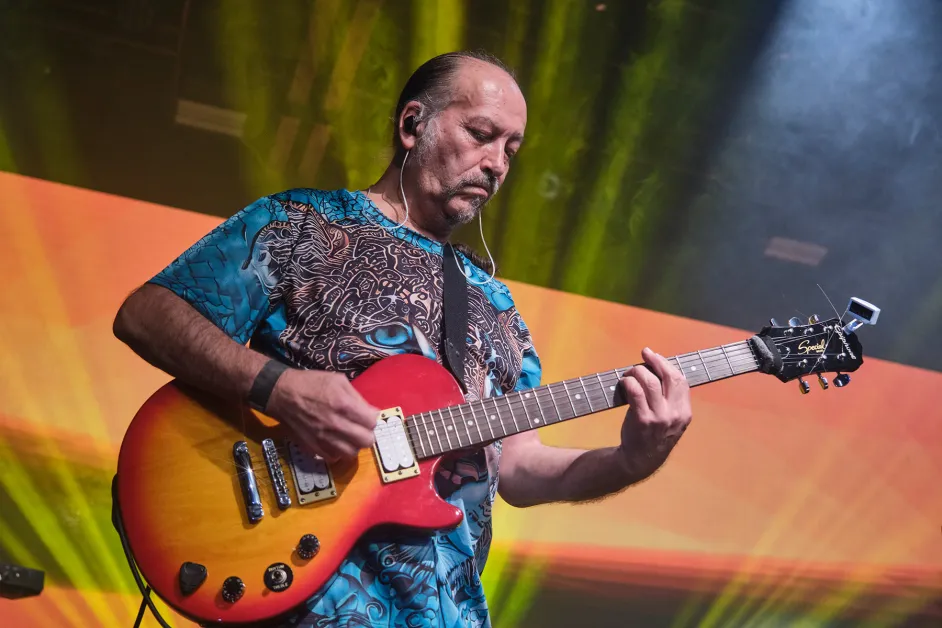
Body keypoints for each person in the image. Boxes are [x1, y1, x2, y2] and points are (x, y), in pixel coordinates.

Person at [113, 50, 692, 628]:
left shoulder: (497, 306)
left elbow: (518, 467)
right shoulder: (302, 224)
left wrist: (631, 459)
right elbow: (148, 313)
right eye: (481, 134)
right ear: (413, 124)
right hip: (308, 601)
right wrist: (278, 388)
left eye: (511, 150)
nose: (496, 164)